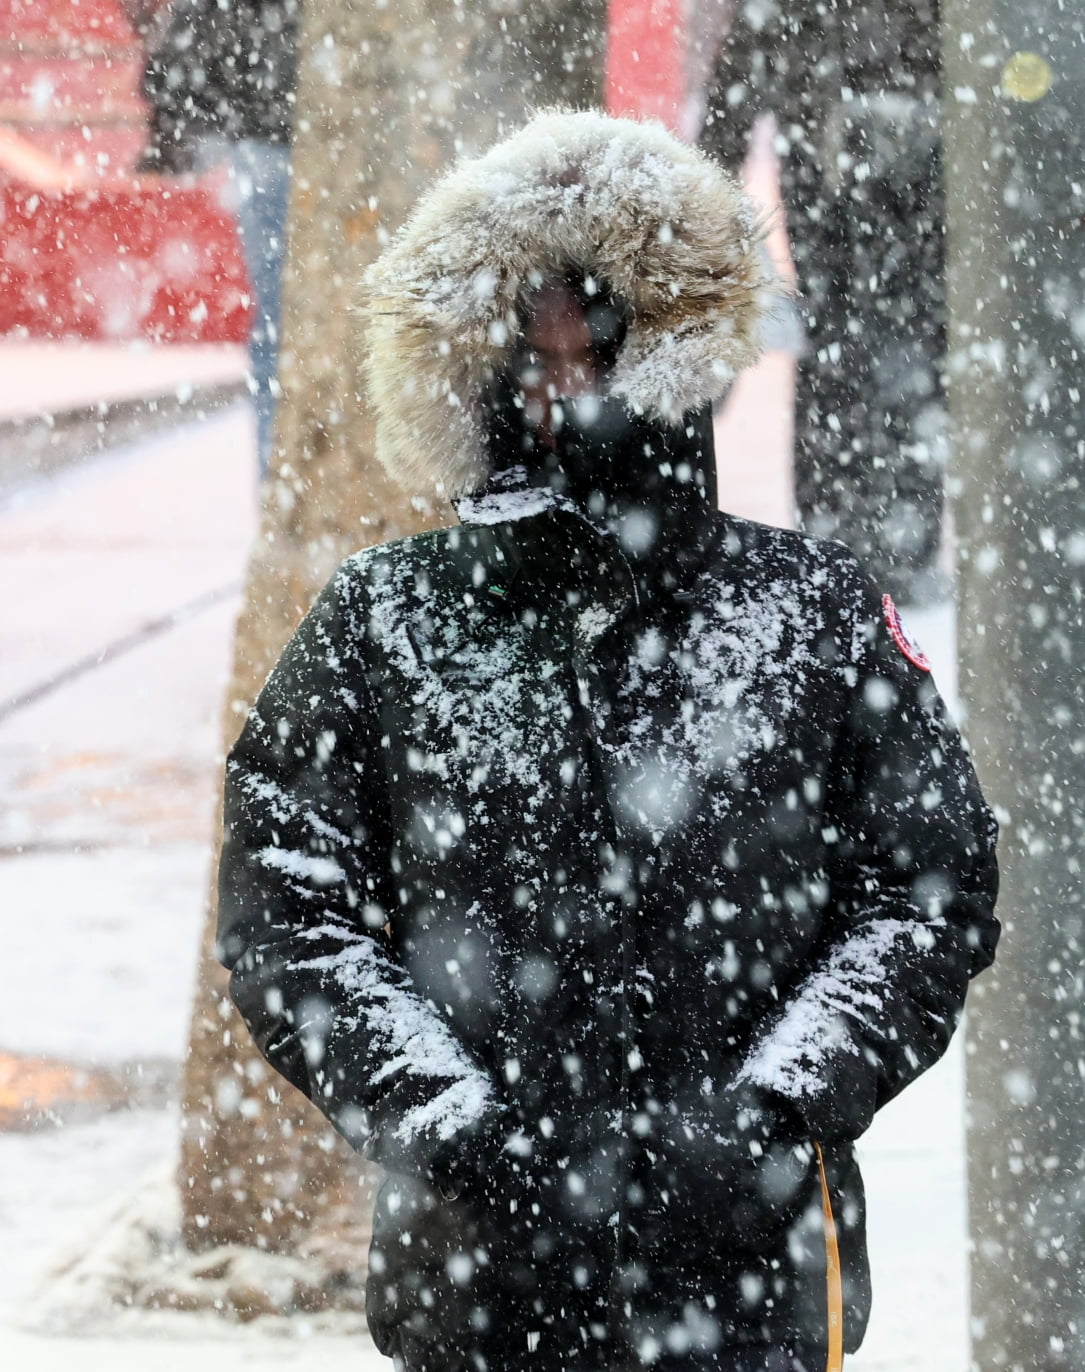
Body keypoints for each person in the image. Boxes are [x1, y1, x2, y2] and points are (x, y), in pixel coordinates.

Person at [216, 110, 1000, 1371]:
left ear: (671, 346)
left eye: (592, 321)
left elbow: (927, 896)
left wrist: (779, 1106)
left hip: (757, 1286)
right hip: (474, 1290)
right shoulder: (382, 619)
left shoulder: (810, 611)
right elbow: (290, 914)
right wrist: (448, 1121)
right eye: (525, 333)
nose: (557, 368)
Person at [700, 2, 947, 605]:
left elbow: (736, 88)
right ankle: (875, 535)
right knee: (882, 357)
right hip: (868, 186)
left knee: (851, 358)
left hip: (850, 180)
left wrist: (710, 167)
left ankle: (854, 535)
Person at [138, 0, 299, 475]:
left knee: (278, 318)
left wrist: (170, 108)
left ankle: (278, 476)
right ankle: (286, 477)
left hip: (268, 123)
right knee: (289, 317)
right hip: (300, 118)